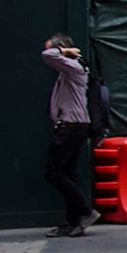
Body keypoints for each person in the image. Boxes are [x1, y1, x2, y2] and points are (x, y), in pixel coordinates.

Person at [40, 33, 99, 237]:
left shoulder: (74, 67)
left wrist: (63, 51)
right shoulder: (70, 69)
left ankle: (85, 211)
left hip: (71, 126)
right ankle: (73, 222)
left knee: (53, 172)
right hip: (73, 126)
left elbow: (47, 54)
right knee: (68, 175)